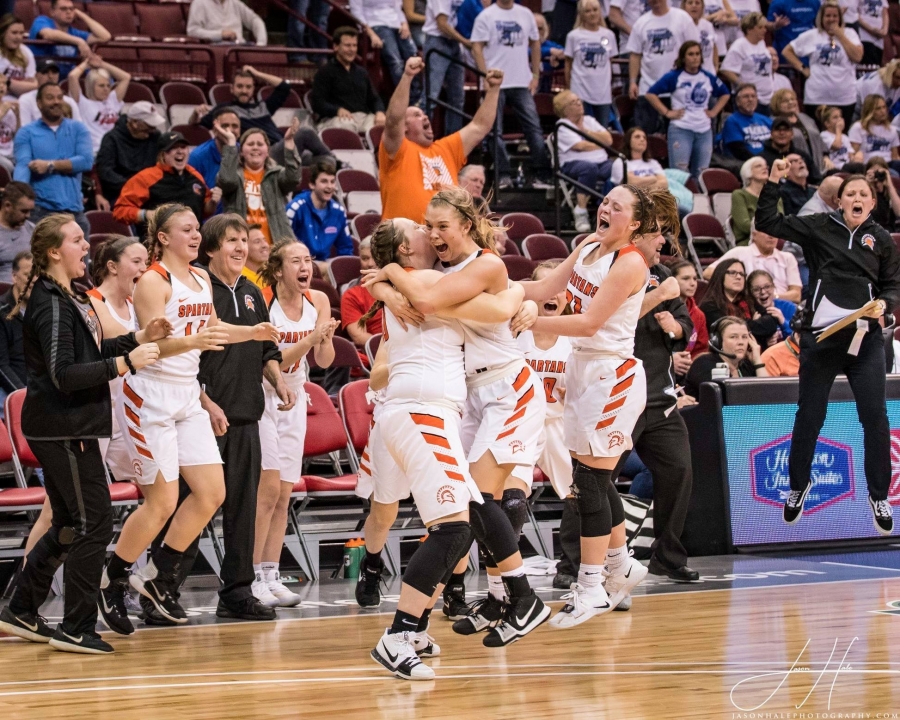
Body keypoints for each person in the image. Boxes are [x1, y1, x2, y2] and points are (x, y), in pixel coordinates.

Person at [366, 187, 551, 646]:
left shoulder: (482, 265)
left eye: (440, 226)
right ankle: (507, 596)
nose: (432, 233)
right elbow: (432, 298)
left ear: (466, 225)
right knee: (469, 504)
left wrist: (388, 276)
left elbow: (490, 303)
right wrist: (389, 285)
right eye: (426, 226)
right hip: (472, 395)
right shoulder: (442, 272)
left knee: (486, 503)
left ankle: (516, 596)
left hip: (509, 386)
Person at [100, 204, 281, 629]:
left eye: (197, 229)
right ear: (162, 238)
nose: (196, 236)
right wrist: (194, 340)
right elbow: (150, 349)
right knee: (161, 502)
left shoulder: (200, 278)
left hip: (187, 395)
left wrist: (251, 333)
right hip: (149, 395)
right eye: (186, 230)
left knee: (210, 493)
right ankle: (114, 579)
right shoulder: (152, 282)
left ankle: (156, 577)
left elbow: (213, 331)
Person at [0, 214, 164, 654]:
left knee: (74, 522)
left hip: (71, 426)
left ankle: (20, 608)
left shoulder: (69, 296)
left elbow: (93, 351)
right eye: (77, 240)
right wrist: (128, 364)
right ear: (55, 252)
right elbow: (64, 374)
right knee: (93, 521)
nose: (86, 247)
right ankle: (76, 625)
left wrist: (137, 338)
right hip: (61, 427)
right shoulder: (50, 301)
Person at [518, 184, 654, 627]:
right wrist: (491, 291)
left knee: (590, 480)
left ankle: (593, 585)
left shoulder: (630, 262)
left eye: (618, 206)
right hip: (582, 370)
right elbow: (545, 286)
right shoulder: (589, 245)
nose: (607, 207)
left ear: (634, 223)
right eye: (606, 201)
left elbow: (589, 321)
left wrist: (532, 318)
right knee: (592, 478)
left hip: (611, 374)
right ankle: (622, 564)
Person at [756, 162, 900, 534]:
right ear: (839, 200)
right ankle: (797, 486)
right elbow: (769, 222)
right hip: (821, 338)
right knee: (810, 415)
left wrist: (884, 304)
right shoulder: (820, 226)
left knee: (875, 417)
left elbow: (893, 286)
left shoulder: (881, 239)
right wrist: (774, 181)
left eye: (863, 194)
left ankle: (879, 494)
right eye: (850, 193)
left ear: (872, 202)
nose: (856, 198)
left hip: (865, 339)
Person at [195, 215, 297, 620]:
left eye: (243, 240)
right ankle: (160, 587)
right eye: (230, 241)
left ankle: (236, 592)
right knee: (194, 507)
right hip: (201, 415)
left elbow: (266, 351)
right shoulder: (199, 290)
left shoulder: (255, 292)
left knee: (243, 510)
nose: (240, 247)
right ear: (210, 248)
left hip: (246, 415)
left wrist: (279, 381)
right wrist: (203, 401)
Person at [612, 190, 700, 582]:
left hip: (659, 398)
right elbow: (606, 320)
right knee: (595, 480)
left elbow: (688, 328)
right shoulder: (612, 269)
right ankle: (572, 561)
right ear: (637, 236)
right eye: (657, 234)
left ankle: (667, 556)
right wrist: (656, 301)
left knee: (679, 471)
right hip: (616, 397)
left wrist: (676, 326)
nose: (664, 241)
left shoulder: (663, 276)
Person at [254, 240, 336, 608]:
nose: (305, 267)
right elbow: (272, 359)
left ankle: (272, 574)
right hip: (262, 394)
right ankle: (252, 574)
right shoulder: (262, 302)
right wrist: (311, 338)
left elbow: (324, 357)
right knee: (267, 489)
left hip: (297, 394)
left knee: (286, 492)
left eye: (308, 260)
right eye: (296, 261)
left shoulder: (318, 301)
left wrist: (324, 339)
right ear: (277, 269)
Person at [379, 57, 502, 223]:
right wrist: (407, 77)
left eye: (424, 114)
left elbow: (480, 127)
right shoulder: (397, 149)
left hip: (444, 243)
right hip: (403, 241)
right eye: (416, 115)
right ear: (404, 127)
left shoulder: (446, 149)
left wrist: (494, 90)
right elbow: (393, 119)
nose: (424, 117)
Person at [86, 236, 149, 485]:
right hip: (96, 409)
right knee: (73, 501)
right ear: (113, 267)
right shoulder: (90, 302)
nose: (144, 268)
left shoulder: (137, 304)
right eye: (136, 261)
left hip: (129, 410)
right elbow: (112, 345)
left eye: (146, 261)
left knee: (152, 488)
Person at [472, 0, 552, 189]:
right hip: (496, 82)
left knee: (534, 128)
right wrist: (485, 75)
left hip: (521, 81)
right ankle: (503, 175)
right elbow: (476, 48)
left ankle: (542, 174)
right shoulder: (486, 16)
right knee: (493, 130)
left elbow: (535, 44)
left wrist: (535, 75)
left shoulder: (525, 14)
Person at [197, 66, 329, 166]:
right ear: (232, 89)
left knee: (320, 161)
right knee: (305, 132)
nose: (244, 91)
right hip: (262, 154)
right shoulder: (225, 111)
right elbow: (199, 124)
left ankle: (335, 164)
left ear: (253, 89)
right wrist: (195, 113)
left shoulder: (263, 107)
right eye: (240, 86)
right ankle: (335, 160)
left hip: (282, 148)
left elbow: (284, 87)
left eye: (248, 87)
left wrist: (257, 73)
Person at [13, 83, 91, 236]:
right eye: (50, 98)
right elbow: (23, 166)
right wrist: (19, 195)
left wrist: (50, 165)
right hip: (40, 212)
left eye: (59, 97)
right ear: (39, 103)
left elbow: (86, 161)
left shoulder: (78, 128)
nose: (56, 101)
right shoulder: (26, 132)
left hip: (74, 212)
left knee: (79, 260)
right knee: (38, 260)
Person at [646, 41, 730, 180]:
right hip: (681, 128)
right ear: (683, 58)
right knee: (680, 172)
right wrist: (667, 112)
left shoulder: (708, 77)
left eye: (697, 54)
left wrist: (714, 112)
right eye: (691, 54)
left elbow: (725, 93)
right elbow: (651, 94)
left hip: (704, 130)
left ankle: (699, 201)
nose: (695, 57)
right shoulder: (674, 76)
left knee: (702, 173)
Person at [114, 131, 218, 240]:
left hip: (193, 245)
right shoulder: (146, 178)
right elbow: (120, 211)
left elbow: (204, 212)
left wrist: (213, 202)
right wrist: (146, 214)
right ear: (162, 154)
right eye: (173, 148)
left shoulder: (195, 176)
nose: (179, 151)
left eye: (183, 147)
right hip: (157, 247)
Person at [217, 124, 301, 245]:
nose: (255, 147)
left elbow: (294, 178)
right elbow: (226, 181)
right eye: (250, 144)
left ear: (267, 151)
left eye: (260, 144)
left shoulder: (276, 175)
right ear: (241, 152)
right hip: (242, 245)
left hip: (276, 244)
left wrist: (288, 142)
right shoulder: (233, 176)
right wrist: (231, 144)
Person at [782, 2, 862, 128]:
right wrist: (802, 68)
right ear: (821, 18)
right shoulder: (811, 35)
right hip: (816, 98)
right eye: (828, 16)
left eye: (835, 16)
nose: (831, 19)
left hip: (844, 98)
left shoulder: (850, 34)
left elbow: (857, 56)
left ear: (840, 18)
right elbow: (787, 51)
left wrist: (840, 35)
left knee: (841, 136)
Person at [626, 0, 701, 135]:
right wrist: (632, 82)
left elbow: (694, 49)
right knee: (644, 135)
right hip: (648, 88)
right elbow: (635, 55)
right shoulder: (641, 23)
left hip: (678, 89)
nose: (655, 1)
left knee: (678, 135)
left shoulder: (682, 18)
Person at [553, 89, 614, 232]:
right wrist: (599, 143)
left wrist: (587, 132)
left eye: (578, 101)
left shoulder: (589, 121)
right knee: (588, 168)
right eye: (573, 102)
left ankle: (609, 210)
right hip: (572, 164)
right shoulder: (562, 126)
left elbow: (609, 140)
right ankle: (581, 211)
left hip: (601, 162)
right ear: (564, 109)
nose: (579, 104)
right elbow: (580, 146)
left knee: (618, 167)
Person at [311, 27, 386, 134]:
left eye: (354, 45)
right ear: (336, 46)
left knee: (384, 126)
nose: (352, 49)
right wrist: (337, 110)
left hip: (363, 117)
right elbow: (318, 103)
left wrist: (380, 112)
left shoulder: (362, 72)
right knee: (347, 126)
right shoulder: (325, 72)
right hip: (335, 119)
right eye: (347, 45)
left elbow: (374, 98)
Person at [286, 159, 353, 273]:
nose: (329, 186)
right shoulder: (296, 208)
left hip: (324, 262)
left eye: (332, 182)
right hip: (296, 262)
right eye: (324, 181)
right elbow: (283, 243)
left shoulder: (339, 212)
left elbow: (345, 249)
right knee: (328, 269)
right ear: (312, 184)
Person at [95, 102, 165, 206]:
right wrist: (134, 186)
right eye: (149, 126)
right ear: (134, 123)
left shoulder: (155, 137)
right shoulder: (112, 139)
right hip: (121, 193)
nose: (153, 129)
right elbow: (106, 171)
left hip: (150, 190)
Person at [700, 258, 781, 345]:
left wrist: (752, 324)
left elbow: (771, 323)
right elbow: (730, 331)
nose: (738, 277)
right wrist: (754, 323)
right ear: (721, 275)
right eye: (732, 273)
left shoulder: (748, 301)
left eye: (742, 274)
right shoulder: (710, 306)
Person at [563, 0, 618, 128]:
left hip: (603, 93)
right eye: (587, 11)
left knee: (602, 129)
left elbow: (610, 60)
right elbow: (568, 64)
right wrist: (569, 88)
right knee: (581, 127)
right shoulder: (573, 36)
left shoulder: (608, 36)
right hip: (580, 90)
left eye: (595, 10)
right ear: (581, 14)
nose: (592, 14)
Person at [684, 315, 768, 396]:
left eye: (744, 337)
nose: (741, 342)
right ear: (718, 341)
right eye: (733, 337)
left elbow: (767, 393)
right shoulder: (703, 363)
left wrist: (757, 362)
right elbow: (727, 398)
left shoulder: (746, 366)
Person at [350, 0, 419, 98]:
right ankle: (408, 100)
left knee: (414, 56)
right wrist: (371, 34)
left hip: (396, 23)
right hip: (375, 24)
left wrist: (404, 24)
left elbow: (397, 7)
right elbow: (356, 11)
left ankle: (417, 98)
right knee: (396, 62)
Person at [67, 54, 131, 156]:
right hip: (94, 151)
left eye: (108, 85)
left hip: (115, 149)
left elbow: (126, 77)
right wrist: (87, 63)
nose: (106, 89)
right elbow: (72, 76)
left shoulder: (112, 100)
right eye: (101, 86)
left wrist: (100, 64)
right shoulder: (82, 103)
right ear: (91, 86)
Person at [421, 0, 469, 137]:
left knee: (457, 99)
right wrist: (465, 41)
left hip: (453, 42)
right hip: (437, 41)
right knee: (430, 97)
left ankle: (452, 145)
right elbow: (442, 24)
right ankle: (417, 142)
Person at [28, 0, 111, 78]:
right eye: (63, 9)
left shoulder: (75, 32)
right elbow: (48, 34)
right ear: (52, 12)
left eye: (71, 9)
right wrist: (79, 41)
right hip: (43, 76)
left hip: (68, 80)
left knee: (101, 74)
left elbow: (105, 36)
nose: (68, 12)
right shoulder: (41, 20)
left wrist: (82, 15)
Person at [720, 14, 775, 111]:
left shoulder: (761, 43)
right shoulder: (739, 46)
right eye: (760, 27)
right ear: (749, 29)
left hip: (767, 98)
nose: (765, 30)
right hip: (749, 99)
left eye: (765, 27)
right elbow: (726, 70)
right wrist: (742, 85)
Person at [768, 88, 827, 177]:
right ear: (777, 104)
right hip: (795, 168)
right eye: (785, 101)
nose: (791, 102)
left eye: (793, 99)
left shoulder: (806, 118)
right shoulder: (773, 122)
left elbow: (819, 139)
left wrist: (826, 156)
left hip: (819, 164)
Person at [188, 107, 242, 193]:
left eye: (235, 126)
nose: (230, 131)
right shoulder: (197, 157)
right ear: (214, 130)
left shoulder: (245, 154)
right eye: (225, 126)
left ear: (239, 131)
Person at [341, 238, 383, 347]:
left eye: (376, 257)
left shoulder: (401, 283)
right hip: (380, 352)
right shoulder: (352, 295)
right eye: (365, 258)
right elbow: (359, 337)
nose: (370, 264)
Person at [731, 157, 782, 245]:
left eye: (766, 166)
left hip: (774, 241)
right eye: (758, 166)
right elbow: (744, 225)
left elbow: (781, 223)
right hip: (748, 242)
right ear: (748, 172)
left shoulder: (775, 197)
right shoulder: (739, 195)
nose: (765, 168)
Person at [0, 249, 30, 392]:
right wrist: (22, 395)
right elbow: (1, 367)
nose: (34, 280)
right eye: (28, 275)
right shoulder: (2, 312)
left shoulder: (48, 309)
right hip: (10, 391)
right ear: (14, 276)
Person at [760, 115, 821, 185]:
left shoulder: (802, 156)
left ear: (792, 134)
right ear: (771, 134)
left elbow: (817, 179)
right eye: (777, 129)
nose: (782, 133)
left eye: (786, 130)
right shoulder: (762, 159)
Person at [720, 84, 774, 163]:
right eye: (746, 97)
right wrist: (760, 162)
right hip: (747, 163)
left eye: (753, 96)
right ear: (737, 101)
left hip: (769, 160)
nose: (750, 99)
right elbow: (738, 151)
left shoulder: (766, 119)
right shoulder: (732, 121)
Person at [17, 60, 80, 127]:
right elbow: (25, 130)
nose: (50, 76)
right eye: (45, 72)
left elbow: (79, 129)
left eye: (54, 72)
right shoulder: (26, 100)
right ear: (36, 76)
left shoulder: (69, 102)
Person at [667, 257, 709, 356]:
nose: (693, 283)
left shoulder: (699, 315)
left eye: (695, 278)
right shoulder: (660, 310)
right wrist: (672, 360)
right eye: (686, 278)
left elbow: (701, 350)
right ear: (672, 280)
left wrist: (692, 365)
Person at [849, 95, 900, 170]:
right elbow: (853, 154)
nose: (883, 111)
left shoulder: (892, 129)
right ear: (870, 110)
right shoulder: (858, 127)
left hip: (888, 164)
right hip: (867, 165)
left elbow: (894, 156)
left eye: (884, 107)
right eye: (878, 108)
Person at [186, 0, 267, 45]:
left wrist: (261, 43)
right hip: (215, 48)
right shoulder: (199, 3)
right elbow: (192, 31)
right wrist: (220, 35)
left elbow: (255, 20)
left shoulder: (235, 3)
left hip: (240, 46)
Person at [747, 267, 796, 339]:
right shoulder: (748, 311)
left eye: (767, 287)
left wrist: (783, 321)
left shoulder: (789, 307)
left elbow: (799, 338)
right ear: (750, 293)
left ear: (773, 286)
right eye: (756, 289)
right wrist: (755, 326)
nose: (763, 292)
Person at [0, 181, 34, 282]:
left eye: (30, 211)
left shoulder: (32, 229)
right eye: (23, 211)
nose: (28, 216)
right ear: (8, 206)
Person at [683, 0, 724, 75]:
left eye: (697, 3)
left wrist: (715, 66)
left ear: (702, 7)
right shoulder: (681, 27)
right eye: (690, 3)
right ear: (684, 7)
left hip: (710, 74)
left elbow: (714, 45)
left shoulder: (707, 25)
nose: (694, 5)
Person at [0, 14, 36, 97]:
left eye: (21, 33)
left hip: (20, 99)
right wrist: (19, 85)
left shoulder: (26, 52)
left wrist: (8, 82)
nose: (18, 37)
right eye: (14, 33)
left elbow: (33, 86)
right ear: (3, 33)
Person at [865, 156, 900, 230]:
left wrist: (889, 184)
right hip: (868, 231)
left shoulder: (892, 193)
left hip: (888, 232)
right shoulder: (863, 193)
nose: (876, 177)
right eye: (873, 173)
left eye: (879, 173)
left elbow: (899, 212)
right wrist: (866, 184)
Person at [818, 105, 854, 170]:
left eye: (840, 116)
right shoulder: (824, 135)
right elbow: (837, 145)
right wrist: (838, 130)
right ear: (827, 124)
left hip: (847, 164)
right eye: (835, 117)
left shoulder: (844, 137)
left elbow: (850, 154)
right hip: (835, 165)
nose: (839, 119)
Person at [857, 0, 888, 66]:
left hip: (879, 39)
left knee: (877, 64)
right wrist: (871, 30)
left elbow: (885, 13)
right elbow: (855, 15)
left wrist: (884, 30)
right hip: (864, 36)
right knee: (869, 63)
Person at [242, 224, 270, 288]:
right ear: (244, 247)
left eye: (265, 240)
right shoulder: (240, 280)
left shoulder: (272, 276)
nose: (264, 245)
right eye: (257, 242)